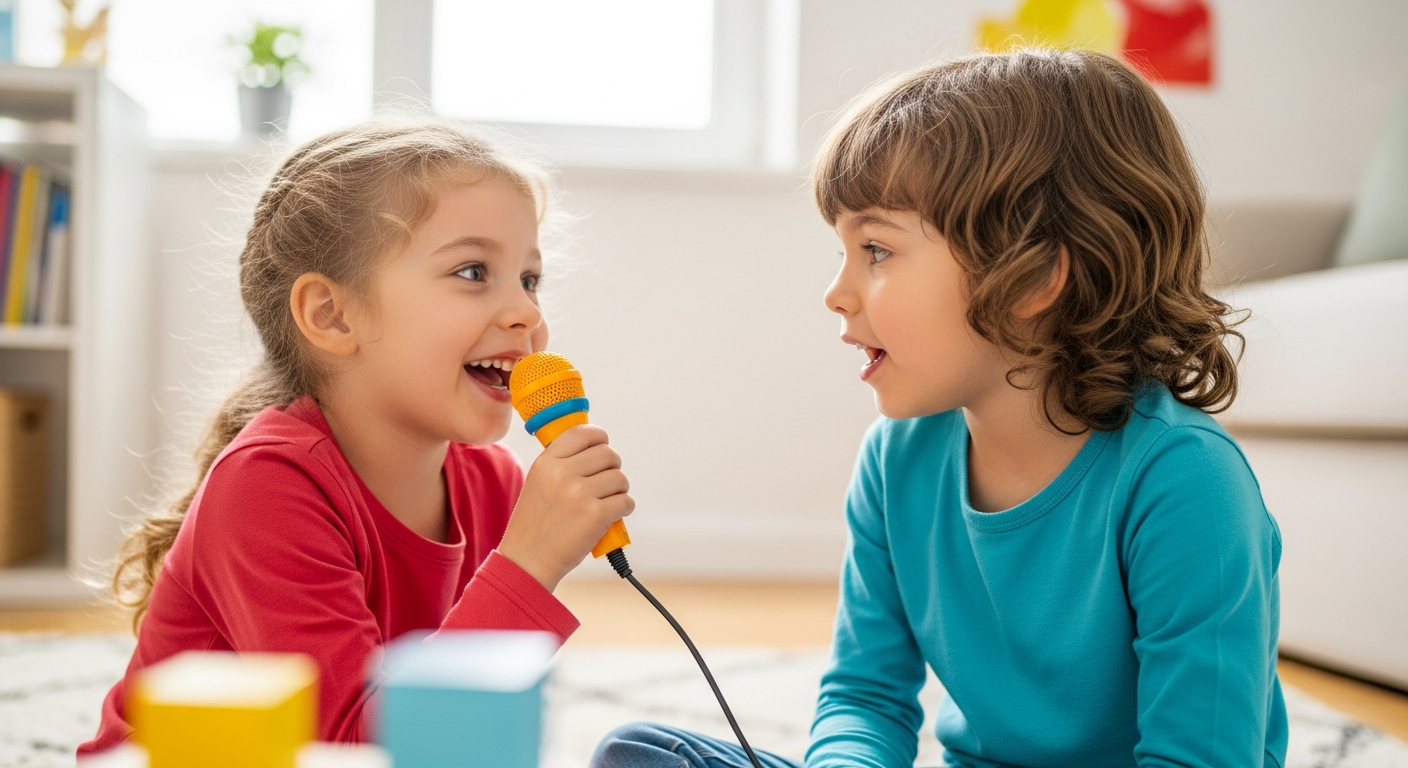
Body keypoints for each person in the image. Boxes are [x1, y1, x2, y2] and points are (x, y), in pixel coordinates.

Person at [593, 49, 1286, 768]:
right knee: (639, 754)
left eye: (876, 250)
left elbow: (1199, 757)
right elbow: (866, 695)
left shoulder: (1185, 484)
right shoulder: (897, 459)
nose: (836, 291)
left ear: (1036, 274)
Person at [79, 121, 634, 754]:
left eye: (529, 279)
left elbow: (461, 733)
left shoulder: (494, 485)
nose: (527, 314)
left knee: (642, 748)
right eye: (474, 270)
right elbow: (353, 749)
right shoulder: (265, 487)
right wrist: (528, 567)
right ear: (331, 315)